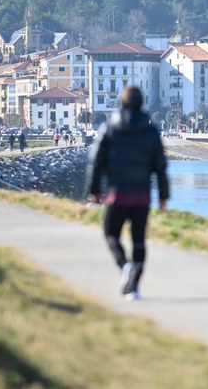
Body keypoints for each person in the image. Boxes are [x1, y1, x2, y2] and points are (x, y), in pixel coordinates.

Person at [86, 86, 169, 301]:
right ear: (142, 104)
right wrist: (163, 196)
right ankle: (133, 288)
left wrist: (94, 191)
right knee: (139, 241)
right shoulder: (151, 132)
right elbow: (160, 166)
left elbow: (96, 163)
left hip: (118, 193)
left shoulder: (109, 128)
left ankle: (125, 266)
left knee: (111, 234)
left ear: (121, 103)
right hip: (142, 195)